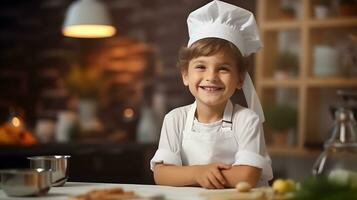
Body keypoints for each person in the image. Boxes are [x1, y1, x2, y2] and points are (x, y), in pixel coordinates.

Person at [150, 0, 273, 189]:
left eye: (223, 69)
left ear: (239, 80)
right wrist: (199, 172)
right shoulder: (175, 119)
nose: (211, 77)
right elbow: (161, 174)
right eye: (201, 67)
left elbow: (248, 176)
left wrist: (187, 174)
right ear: (185, 76)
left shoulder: (247, 120)